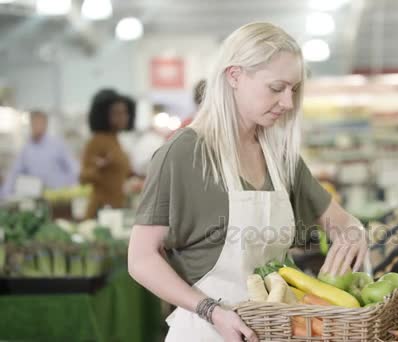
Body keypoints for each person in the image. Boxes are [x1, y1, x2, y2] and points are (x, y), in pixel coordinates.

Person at [127, 22, 369, 342]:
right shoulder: (184, 153)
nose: (287, 103)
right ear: (235, 76)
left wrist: (355, 232)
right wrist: (211, 310)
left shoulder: (280, 159)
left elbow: (341, 222)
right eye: (276, 88)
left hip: (276, 332)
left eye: (293, 90)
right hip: (208, 332)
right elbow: (141, 259)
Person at [80, 89, 135, 218]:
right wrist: (98, 168)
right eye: (117, 113)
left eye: (125, 112)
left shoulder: (116, 140)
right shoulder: (97, 141)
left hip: (116, 210)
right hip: (100, 212)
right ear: (104, 115)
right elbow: (83, 178)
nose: (123, 117)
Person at [0, 110, 79, 199]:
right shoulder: (26, 149)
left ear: (46, 124)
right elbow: (14, 173)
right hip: (36, 196)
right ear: (31, 124)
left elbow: (74, 168)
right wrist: (4, 194)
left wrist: (74, 189)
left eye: (40, 123)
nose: (38, 126)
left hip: (59, 197)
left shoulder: (57, 145)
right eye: (35, 123)